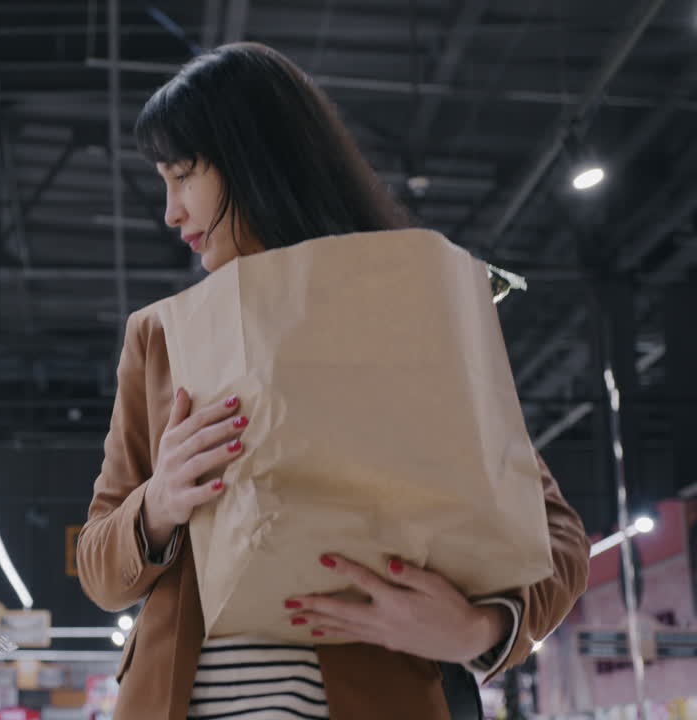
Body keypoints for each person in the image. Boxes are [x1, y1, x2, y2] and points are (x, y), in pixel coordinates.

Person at [76, 43, 590, 720]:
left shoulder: (410, 309)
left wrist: (479, 630)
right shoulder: (162, 338)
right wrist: (157, 504)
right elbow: (96, 564)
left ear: (254, 160)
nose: (170, 211)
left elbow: (554, 536)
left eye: (183, 175)